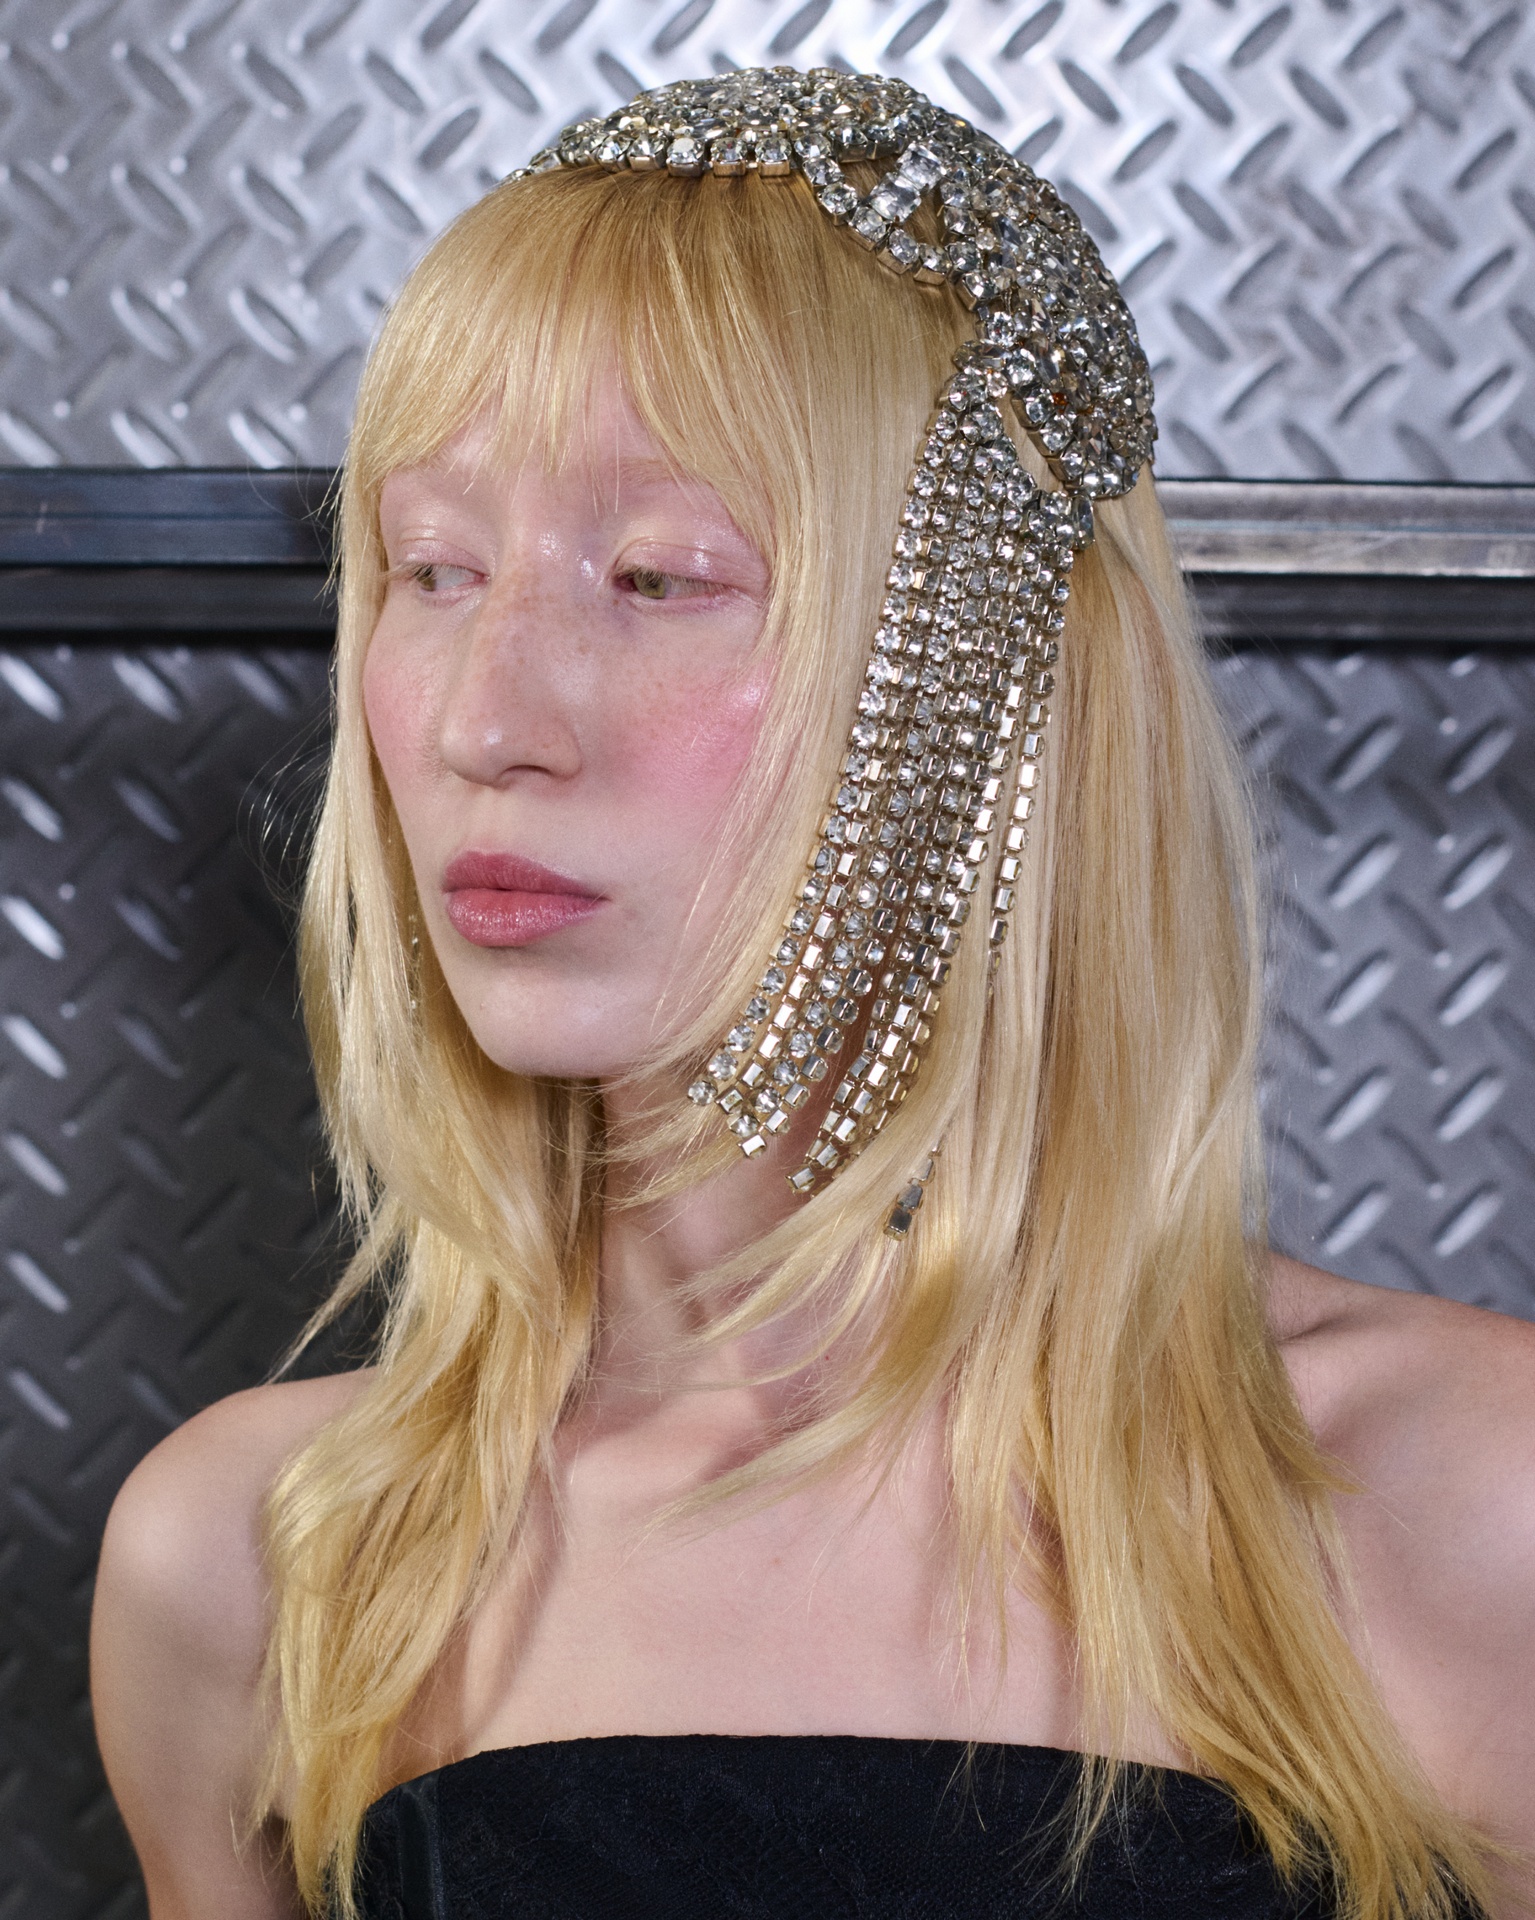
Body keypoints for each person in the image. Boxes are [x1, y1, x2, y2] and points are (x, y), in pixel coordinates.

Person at [89, 68, 1534, 1920]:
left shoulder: (1463, 1505)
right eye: (431, 567)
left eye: (660, 576)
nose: (483, 719)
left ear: (984, 681)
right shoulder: (265, 1565)